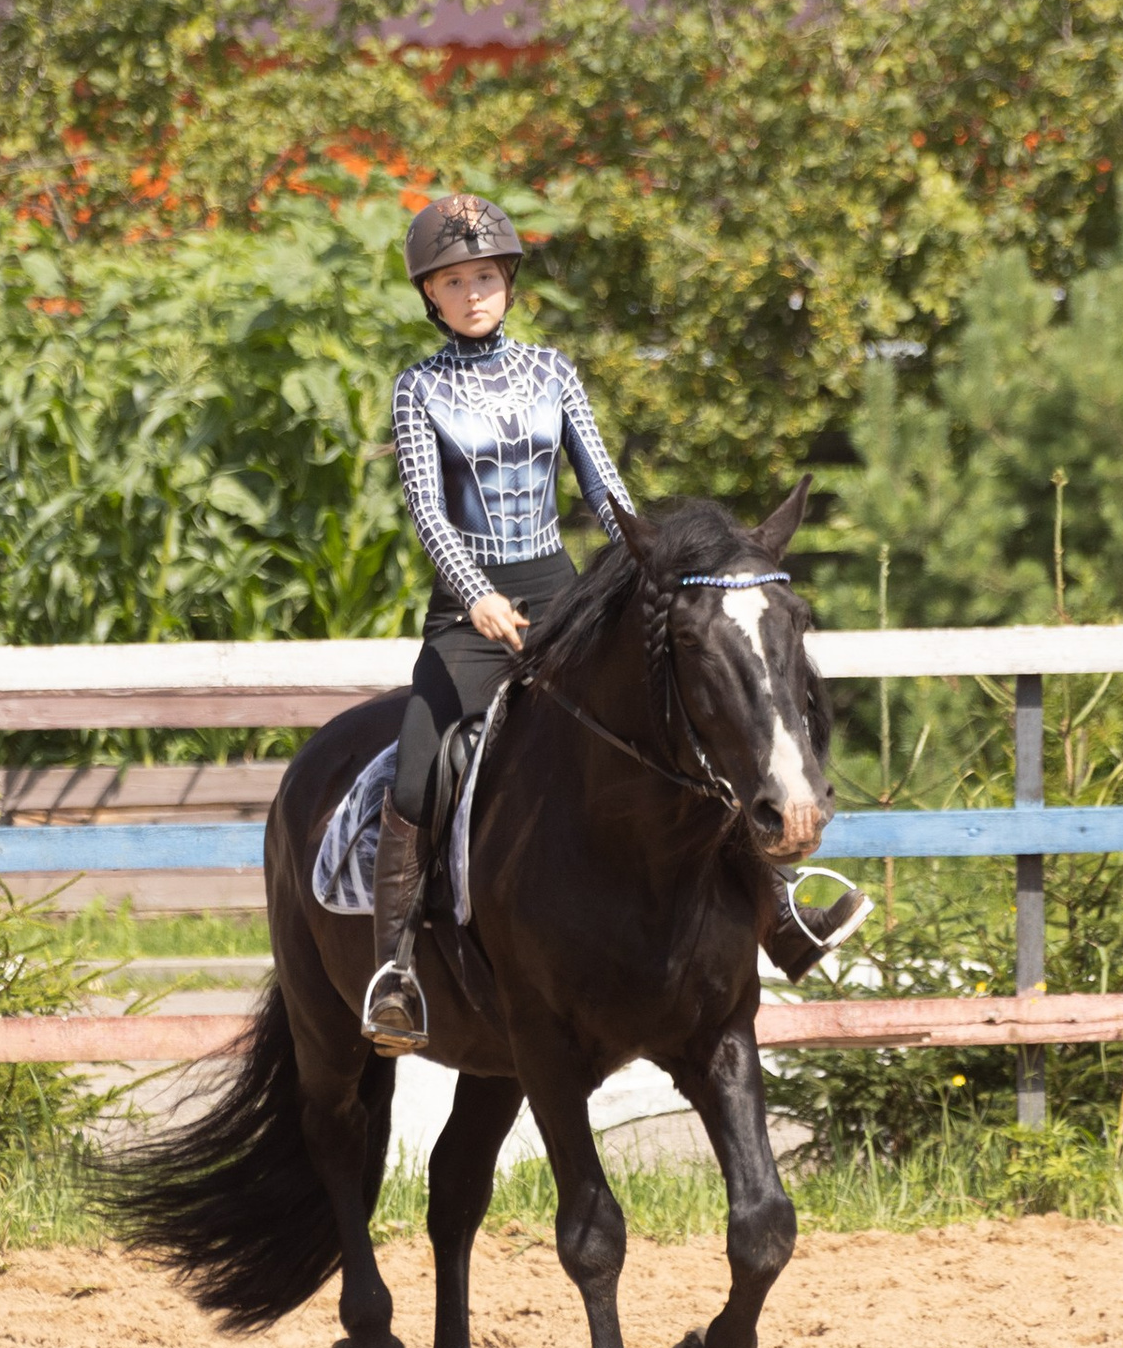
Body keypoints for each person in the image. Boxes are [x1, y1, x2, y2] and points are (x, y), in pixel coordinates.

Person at [360, 193, 865, 1054]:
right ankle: (396, 972)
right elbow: (428, 511)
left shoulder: (552, 372)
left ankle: (779, 915)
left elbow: (604, 487)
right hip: (469, 614)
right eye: (454, 282)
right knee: (417, 772)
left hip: (561, 596)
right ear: (430, 296)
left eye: (486, 277)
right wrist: (476, 594)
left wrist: (648, 565)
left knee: (684, 726)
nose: (473, 293)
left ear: (508, 283)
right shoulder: (418, 389)